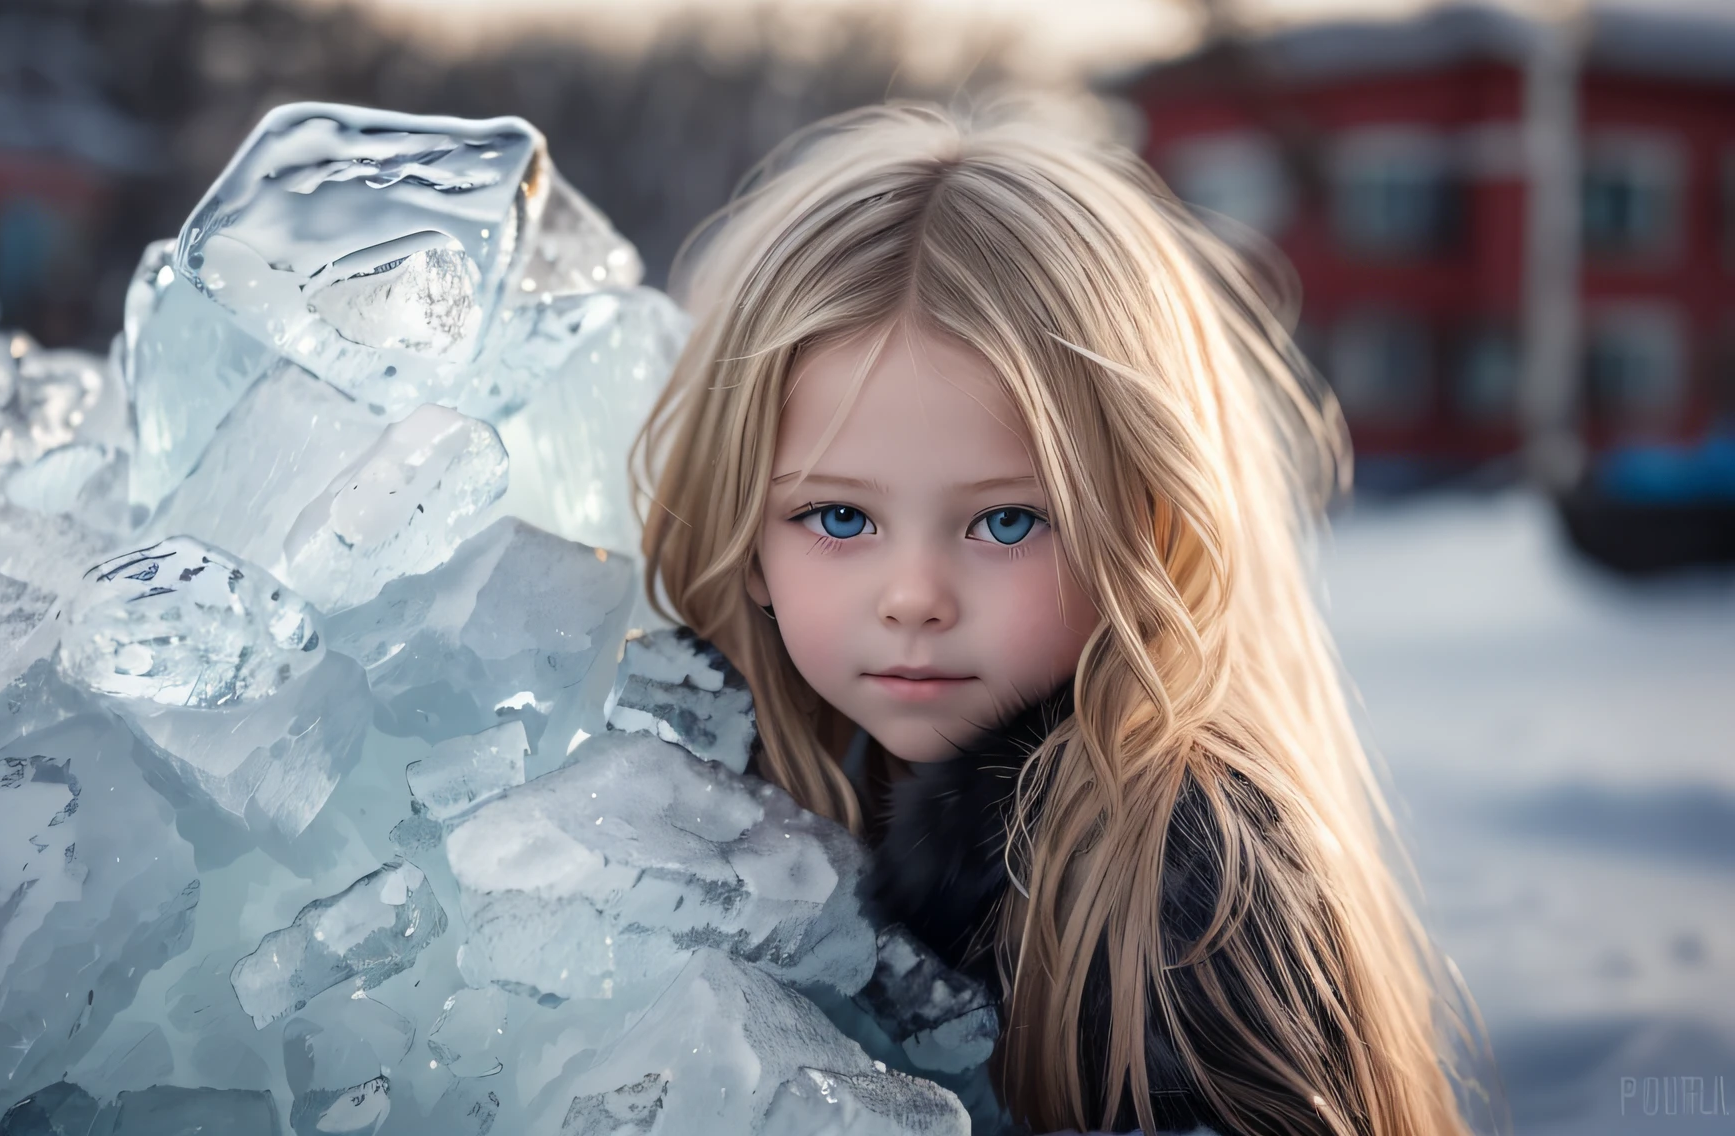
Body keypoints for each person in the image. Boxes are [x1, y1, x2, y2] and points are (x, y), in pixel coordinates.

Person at [631, 100, 1488, 1136]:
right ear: (746, 533)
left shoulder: (1184, 880)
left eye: (1004, 519)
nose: (913, 595)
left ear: (1148, 529)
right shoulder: (760, 776)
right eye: (839, 515)